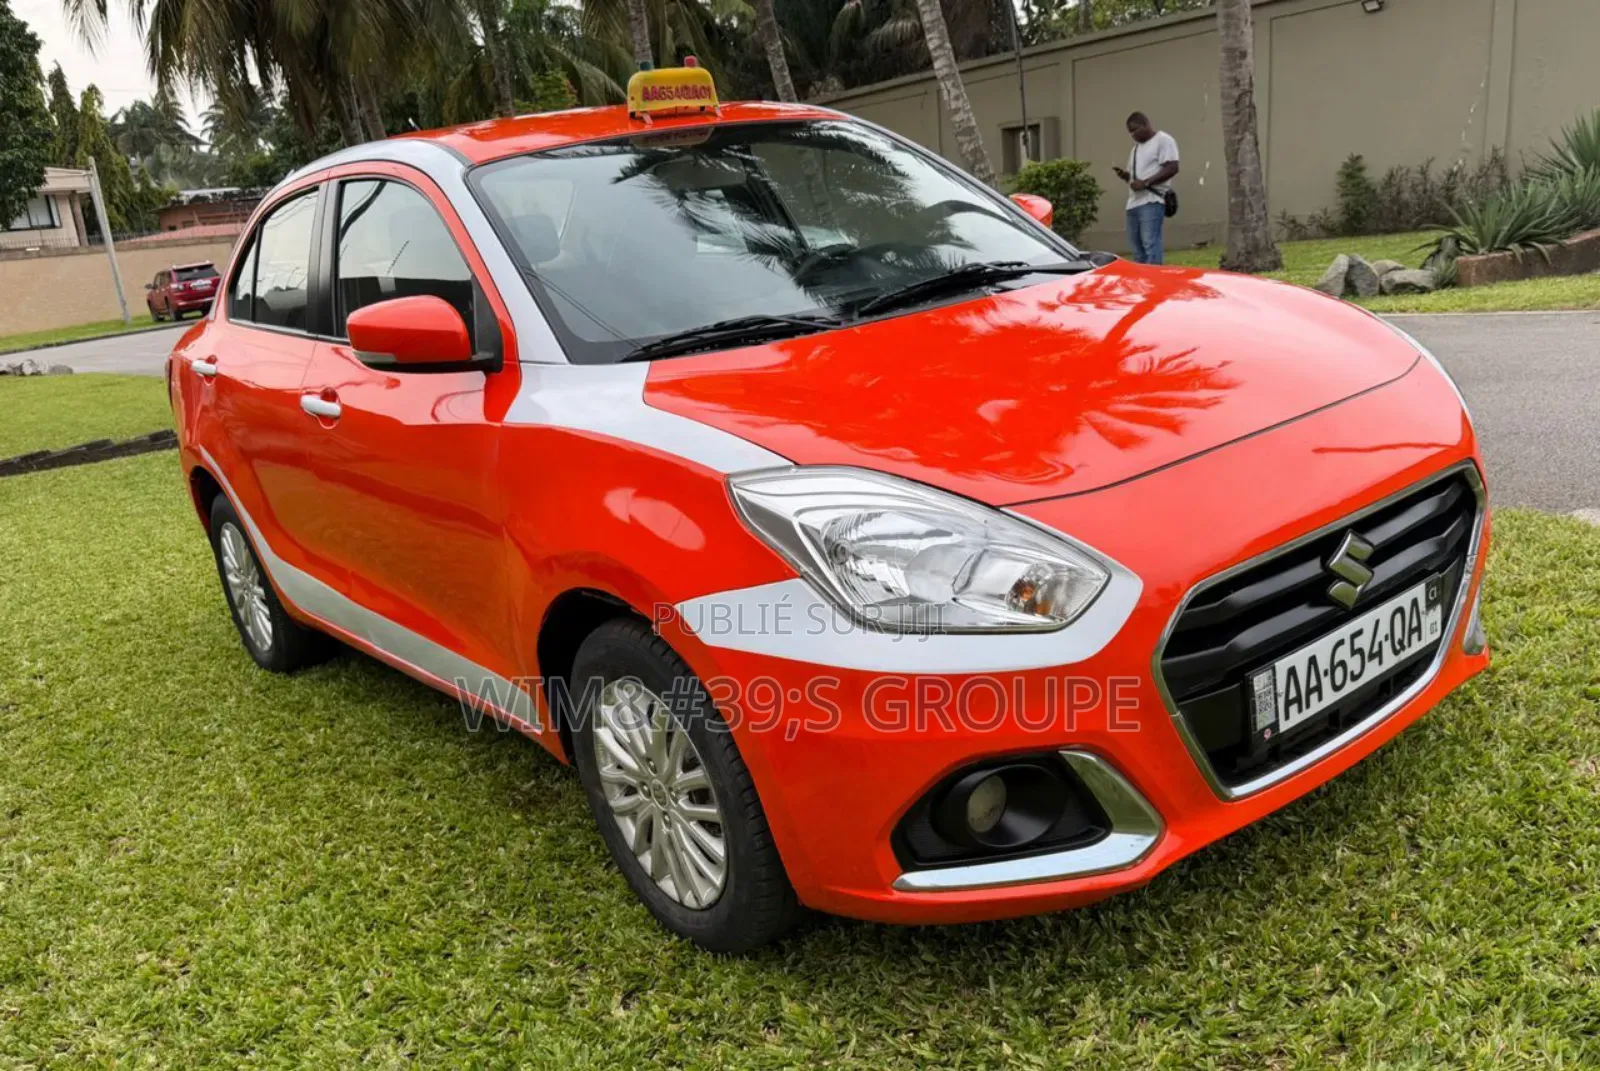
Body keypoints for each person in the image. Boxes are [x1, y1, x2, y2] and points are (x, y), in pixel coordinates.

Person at [1113, 112, 1180, 265]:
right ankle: (1142, 282)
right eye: (1130, 132)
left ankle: (1155, 280)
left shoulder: (1163, 140)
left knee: (1150, 244)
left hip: (1151, 201)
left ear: (1146, 124)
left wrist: (1146, 183)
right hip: (1133, 203)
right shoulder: (1135, 149)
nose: (1133, 135)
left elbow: (1172, 167)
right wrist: (1125, 176)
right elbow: (1136, 178)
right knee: (1137, 249)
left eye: (1135, 130)